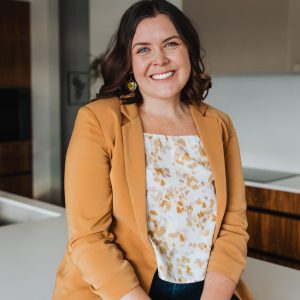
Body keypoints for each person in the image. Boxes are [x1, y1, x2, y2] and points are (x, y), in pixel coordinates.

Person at [53, 1, 253, 299]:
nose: (159, 59)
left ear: (189, 50)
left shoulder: (219, 124)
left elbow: (233, 226)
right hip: (124, 292)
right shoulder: (99, 120)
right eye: (143, 49)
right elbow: (89, 237)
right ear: (129, 62)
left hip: (207, 289)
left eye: (171, 44)